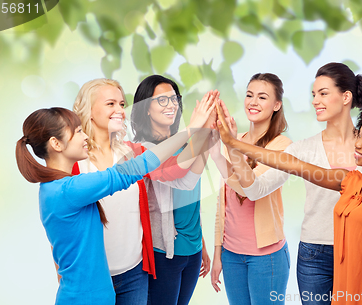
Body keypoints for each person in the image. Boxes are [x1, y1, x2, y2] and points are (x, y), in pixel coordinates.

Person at [216, 100, 362, 305]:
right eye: (359, 135)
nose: (357, 143)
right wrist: (233, 143)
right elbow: (290, 163)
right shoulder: (348, 181)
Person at [15, 102, 214, 304]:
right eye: (77, 132)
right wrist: (191, 129)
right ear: (56, 144)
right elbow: (136, 167)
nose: (85, 136)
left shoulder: (53, 188)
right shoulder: (69, 190)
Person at [221, 63, 362, 304]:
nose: (315, 101)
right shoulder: (302, 148)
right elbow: (255, 189)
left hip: (361, 249)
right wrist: (231, 145)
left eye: (323, 93)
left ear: (346, 97)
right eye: (314, 95)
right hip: (315, 254)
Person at [72, 78, 214, 304]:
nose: (120, 110)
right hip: (96, 274)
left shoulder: (130, 151)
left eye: (122, 104)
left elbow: (181, 179)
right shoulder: (76, 162)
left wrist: (205, 133)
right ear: (88, 111)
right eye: (111, 104)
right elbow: (61, 219)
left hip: (135, 271)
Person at [130, 75, 215, 305]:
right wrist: (197, 129)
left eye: (174, 98)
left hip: (193, 250)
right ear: (145, 108)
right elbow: (178, 173)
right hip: (164, 252)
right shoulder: (141, 150)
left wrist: (202, 245)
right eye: (162, 100)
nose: (171, 105)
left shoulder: (187, 146)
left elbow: (189, 193)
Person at [209, 73, 292, 305]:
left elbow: (251, 189)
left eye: (262, 97)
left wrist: (230, 148)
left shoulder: (282, 147)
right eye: (249, 95)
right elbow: (223, 201)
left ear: (277, 105)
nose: (253, 102)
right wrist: (218, 253)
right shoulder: (235, 139)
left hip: (266, 258)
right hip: (231, 255)